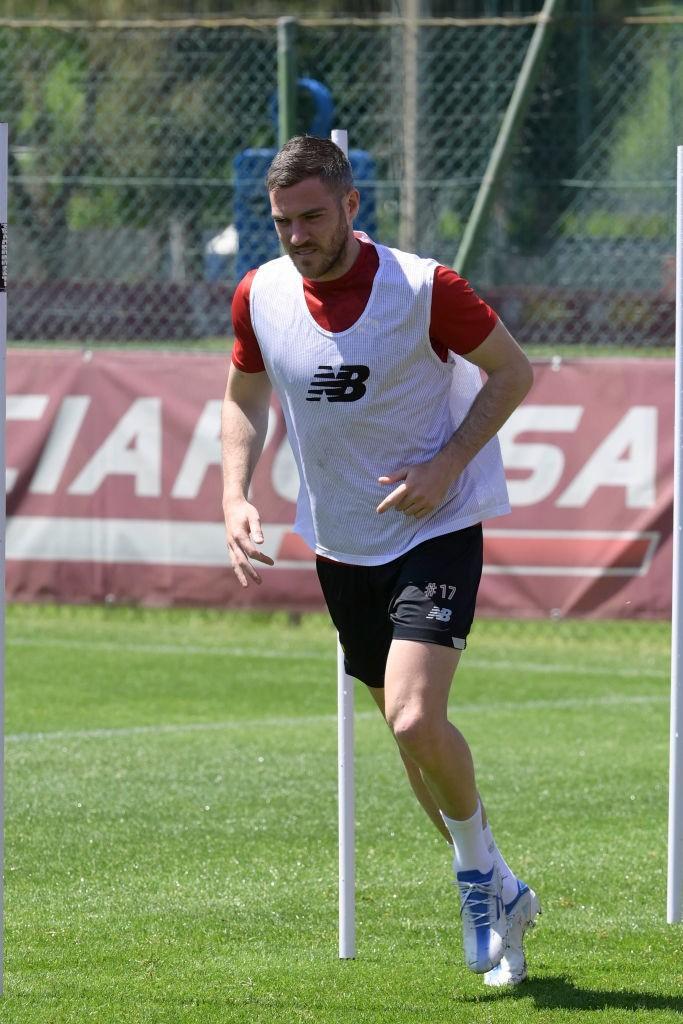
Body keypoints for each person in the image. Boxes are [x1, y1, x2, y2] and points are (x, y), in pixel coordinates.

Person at [221, 135, 539, 986]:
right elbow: (244, 391)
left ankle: (474, 878)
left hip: (436, 526)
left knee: (409, 716)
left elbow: (512, 372)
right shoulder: (259, 292)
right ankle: (500, 885)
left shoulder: (424, 287)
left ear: (351, 206)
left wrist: (447, 464)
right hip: (342, 543)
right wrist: (235, 491)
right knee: (413, 749)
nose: (297, 235)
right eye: (283, 220)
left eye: (313, 217)